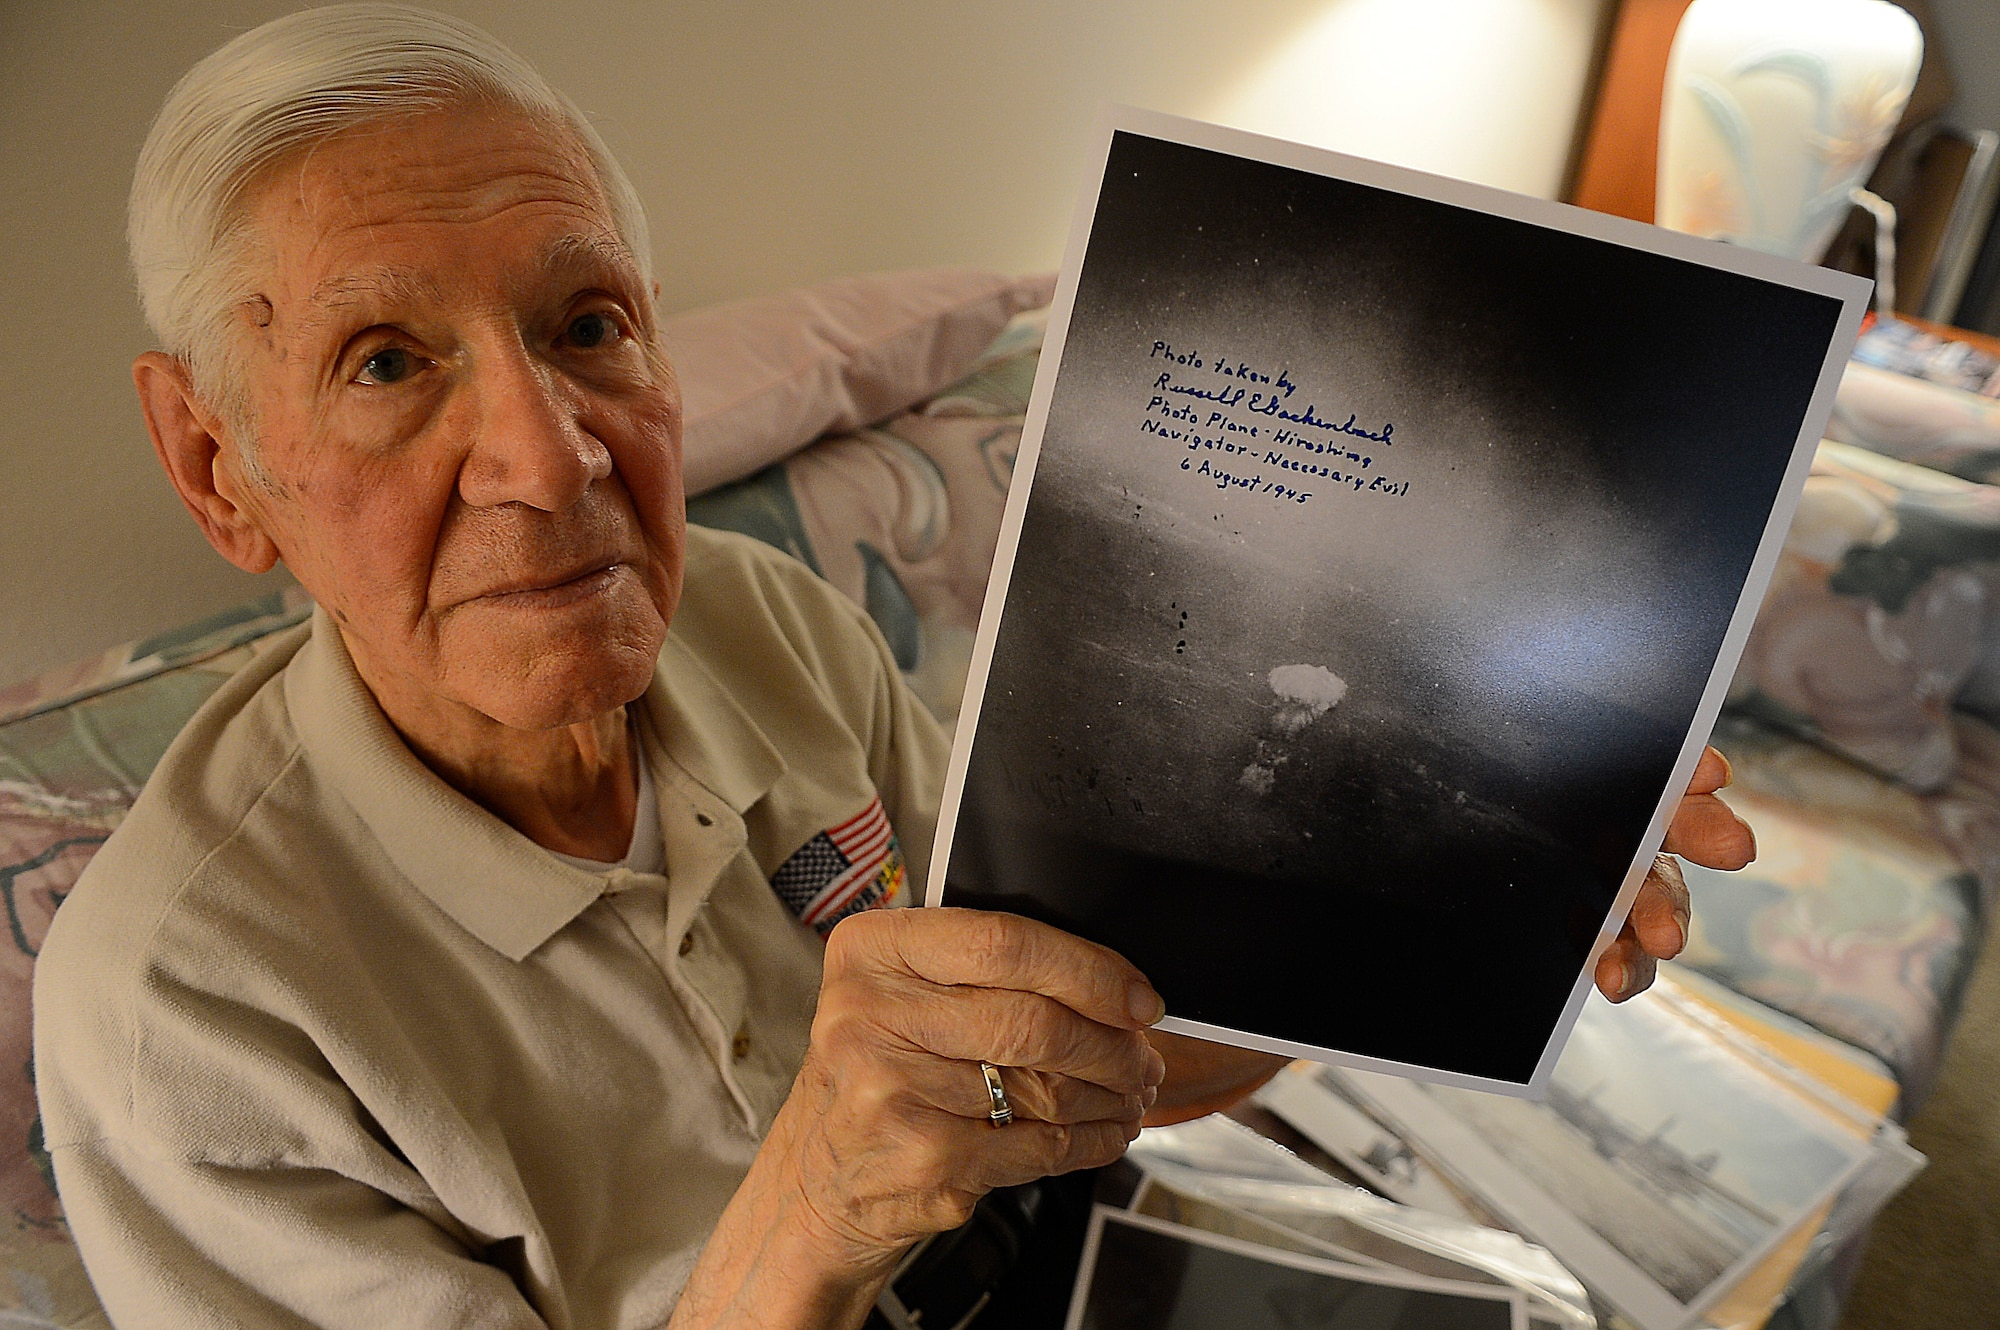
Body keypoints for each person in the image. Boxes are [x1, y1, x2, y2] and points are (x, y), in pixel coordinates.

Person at [30, 6, 1755, 1327]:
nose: (547, 460)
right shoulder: (184, 1008)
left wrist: (1444, 913)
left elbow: (1070, 1053)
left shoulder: (763, 620)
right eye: (388, 357)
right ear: (215, 469)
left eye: (588, 325)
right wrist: (822, 1203)